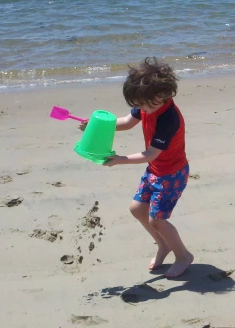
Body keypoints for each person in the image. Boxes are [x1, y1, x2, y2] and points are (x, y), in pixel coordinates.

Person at [79, 57, 193, 277]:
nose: (140, 109)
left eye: (142, 105)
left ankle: (183, 256)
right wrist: (94, 126)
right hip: (155, 170)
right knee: (137, 209)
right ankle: (163, 246)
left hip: (172, 173)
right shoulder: (147, 104)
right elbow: (126, 122)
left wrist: (120, 159)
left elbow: (150, 153)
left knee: (157, 219)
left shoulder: (169, 119)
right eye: (136, 105)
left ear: (161, 96)